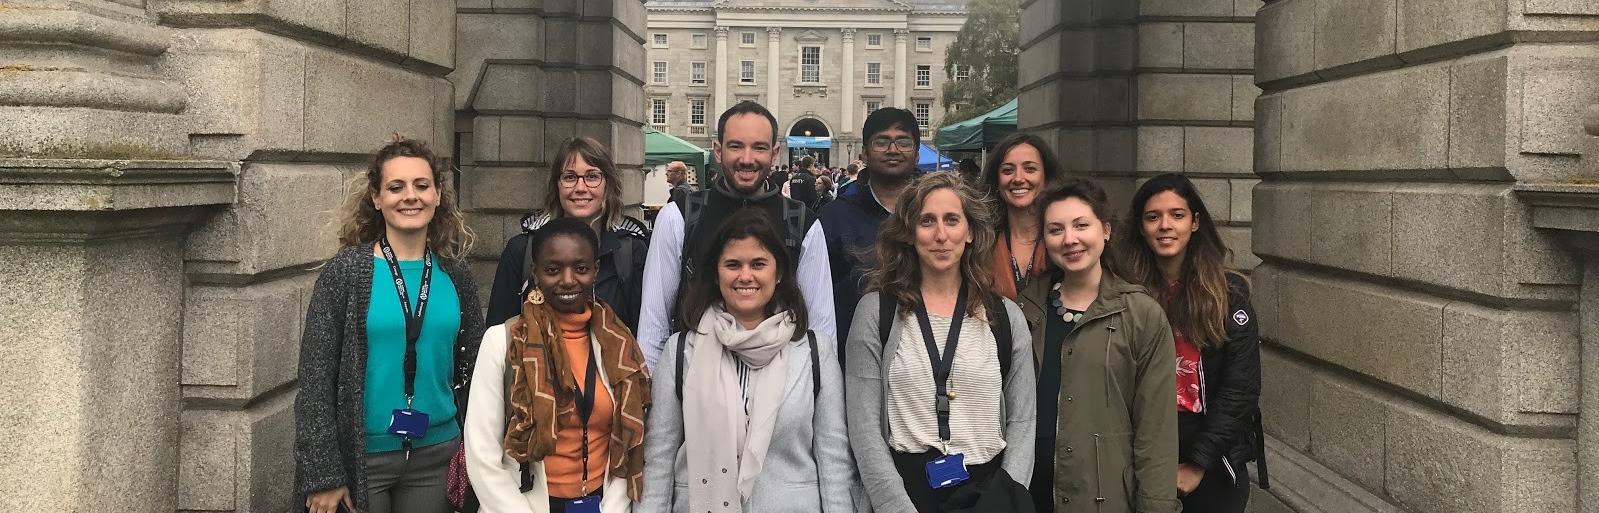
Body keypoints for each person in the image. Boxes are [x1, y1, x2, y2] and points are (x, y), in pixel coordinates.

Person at [295, 137, 483, 513]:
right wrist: (323, 474)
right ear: (377, 198)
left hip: (437, 456)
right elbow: (315, 378)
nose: (409, 196)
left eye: (421, 185)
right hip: (362, 459)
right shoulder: (346, 272)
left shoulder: (455, 273)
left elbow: (476, 367)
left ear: (438, 194)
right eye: (396, 187)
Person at [845, 172, 1036, 513]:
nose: (940, 235)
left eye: (952, 220)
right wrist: (895, 507)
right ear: (909, 234)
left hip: (989, 493)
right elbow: (864, 429)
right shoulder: (876, 313)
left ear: (971, 233)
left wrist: (1006, 499)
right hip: (905, 490)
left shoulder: (1005, 317)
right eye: (926, 221)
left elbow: (1023, 421)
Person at [638, 212, 854, 513]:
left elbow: (834, 459)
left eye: (758, 264)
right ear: (716, 273)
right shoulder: (680, 352)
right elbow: (658, 457)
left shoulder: (815, 353)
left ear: (778, 273)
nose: (745, 276)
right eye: (732, 265)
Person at [465, 217, 651, 513]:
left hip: (602, 504)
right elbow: (481, 453)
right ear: (535, 273)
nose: (567, 280)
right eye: (553, 270)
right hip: (522, 504)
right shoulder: (502, 342)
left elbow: (627, 444)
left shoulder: (618, 343)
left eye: (580, 268)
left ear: (596, 271)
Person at [636, 100, 836, 369]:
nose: (747, 158)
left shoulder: (803, 223)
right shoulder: (678, 216)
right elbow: (654, 321)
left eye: (759, 147)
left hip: (781, 389)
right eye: (736, 146)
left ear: (775, 153)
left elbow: (822, 329)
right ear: (718, 150)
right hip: (695, 382)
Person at [1020, 180, 1178, 513]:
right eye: (1055, 229)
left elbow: (1156, 432)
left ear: (1105, 230)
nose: (1070, 239)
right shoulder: (1024, 309)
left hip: (1104, 498)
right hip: (1028, 494)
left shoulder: (1141, 315)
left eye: (1081, 225)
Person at [1118, 174, 1260, 513]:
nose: (1165, 226)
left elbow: (1240, 389)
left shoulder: (1228, 295)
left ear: (1195, 222)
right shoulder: (1123, 293)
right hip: (1143, 447)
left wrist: (1198, 463)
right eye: (1153, 217)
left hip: (1212, 453)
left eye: (1177, 215)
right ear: (1140, 226)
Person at [485, 137, 650, 332]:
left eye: (592, 177)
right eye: (570, 177)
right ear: (557, 185)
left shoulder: (631, 253)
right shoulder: (522, 250)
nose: (580, 188)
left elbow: (645, 336)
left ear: (608, 184)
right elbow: (498, 332)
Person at [818, 108, 922, 346]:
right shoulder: (834, 217)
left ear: (916, 153)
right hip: (855, 351)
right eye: (882, 141)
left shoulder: (937, 214)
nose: (893, 149)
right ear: (864, 153)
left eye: (903, 142)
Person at [981, 133, 1066, 336]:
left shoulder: (1068, 241)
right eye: (1008, 170)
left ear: (1046, 177)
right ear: (996, 179)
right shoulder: (979, 242)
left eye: (1030, 169)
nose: (1019, 179)